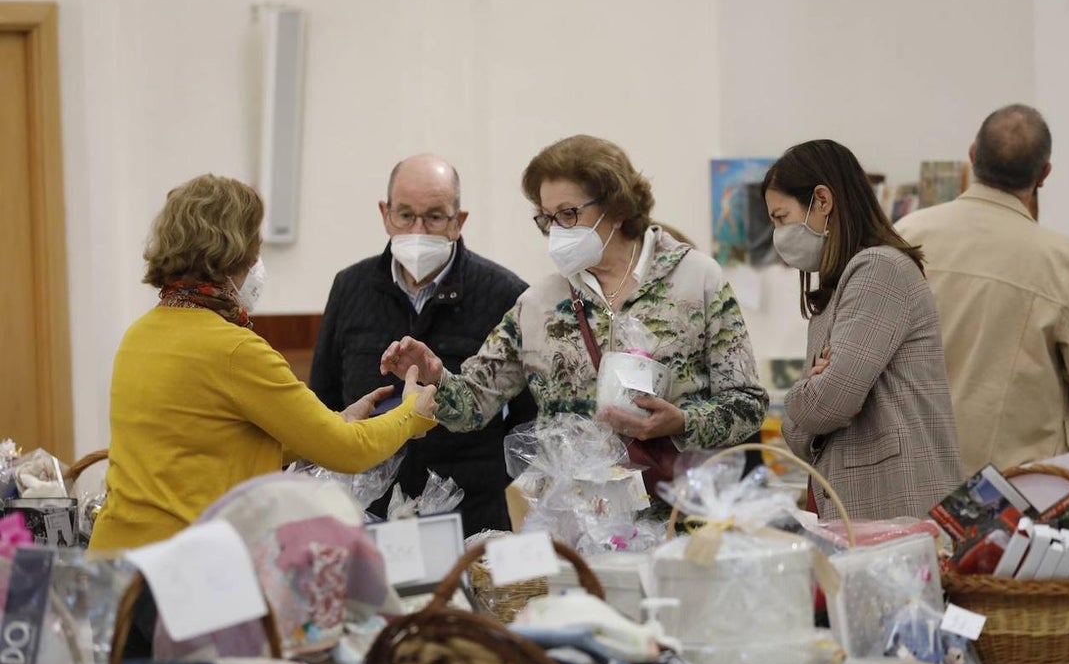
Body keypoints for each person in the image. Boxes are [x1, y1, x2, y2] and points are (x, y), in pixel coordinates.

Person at [381, 135, 767, 493]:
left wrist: (683, 422)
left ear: (615, 206)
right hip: (574, 526)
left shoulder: (696, 280)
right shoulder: (540, 303)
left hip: (679, 517)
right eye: (547, 218)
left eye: (568, 214)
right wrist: (437, 376)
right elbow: (472, 407)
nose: (556, 230)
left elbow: (748, 403)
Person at [89, 174, 438, 552]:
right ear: (234, 253)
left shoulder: (139, 335)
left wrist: (337, 420)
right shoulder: (236, 350)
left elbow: (216, 443)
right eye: (256, 248)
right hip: (184, 572)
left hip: (117, 562)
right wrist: (411, 414)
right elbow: (347, 451)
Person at [310, 154, 535, 536]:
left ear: (458, 221)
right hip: (367, 515)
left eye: (434, 216)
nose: (418, 229)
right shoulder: (350, 287)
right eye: (405, 215)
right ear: (385, 213)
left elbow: (528, 418)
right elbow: (323, 399)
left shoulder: (505, 294)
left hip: (471, 518)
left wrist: (485, 477)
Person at [898, 105, 1069, 474]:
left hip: (913, 474)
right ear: (1044, 174)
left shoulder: (906, 236)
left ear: (972, 154)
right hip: (1016, 489)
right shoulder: (1061, 261)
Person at [763, 140, 963, 520]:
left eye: (781, 217)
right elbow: (802, 435)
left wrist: (803, 395)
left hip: (895, 503)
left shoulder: (878, 270)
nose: (778, 235)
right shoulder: (837, 290)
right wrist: (815, 395)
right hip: (862, 507)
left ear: (822, 201)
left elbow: (828, 403)